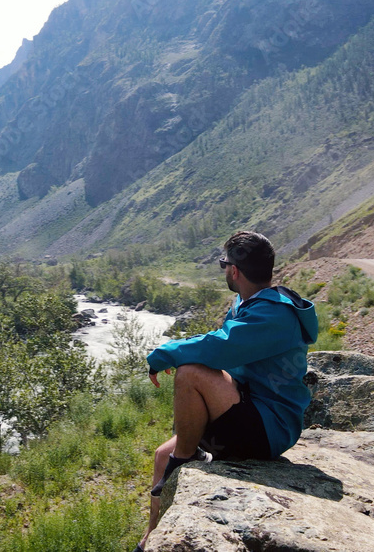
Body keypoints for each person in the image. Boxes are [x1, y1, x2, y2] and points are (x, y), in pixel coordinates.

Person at [135, 231, 318, 551]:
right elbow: (223, 342)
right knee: (163, 455)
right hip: (247, 406)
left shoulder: (274, 314)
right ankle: (152, 536)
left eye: (224, 264)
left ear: (234, 270)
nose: (224, 270)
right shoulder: (251, 303)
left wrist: (167, 352)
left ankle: (188, 455)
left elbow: (222, 347)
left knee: (189, 372)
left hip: (269, 425)